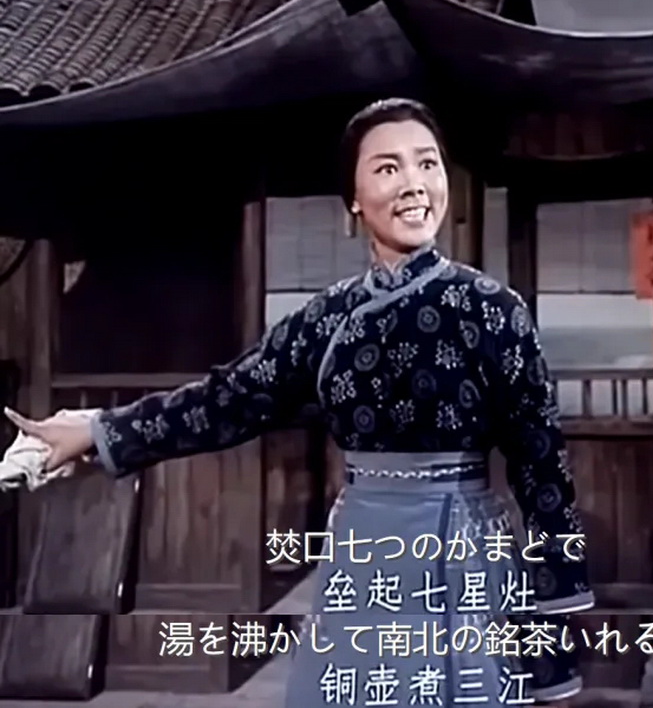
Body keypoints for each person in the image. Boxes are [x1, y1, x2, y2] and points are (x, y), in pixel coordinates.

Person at [5, 98, 594, 706]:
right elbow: (228, 400)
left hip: (463, 549)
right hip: (366, 546)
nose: (414, 184)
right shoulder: (325, 320)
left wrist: (552, 613)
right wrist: (100, 430)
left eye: (427, 164)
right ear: (353, 201)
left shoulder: (495, 311)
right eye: (387, 168)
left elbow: (541, 465)